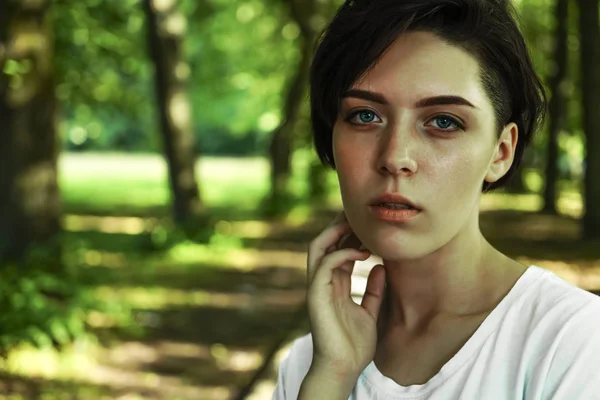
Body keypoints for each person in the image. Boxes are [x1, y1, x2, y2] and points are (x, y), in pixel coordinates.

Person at [272, 0, 600, 399]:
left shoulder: (573, 345)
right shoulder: (312, 363)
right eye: (365, 116)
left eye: (443, 121)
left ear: (501, 152)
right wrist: (331, 380)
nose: (395, 157)